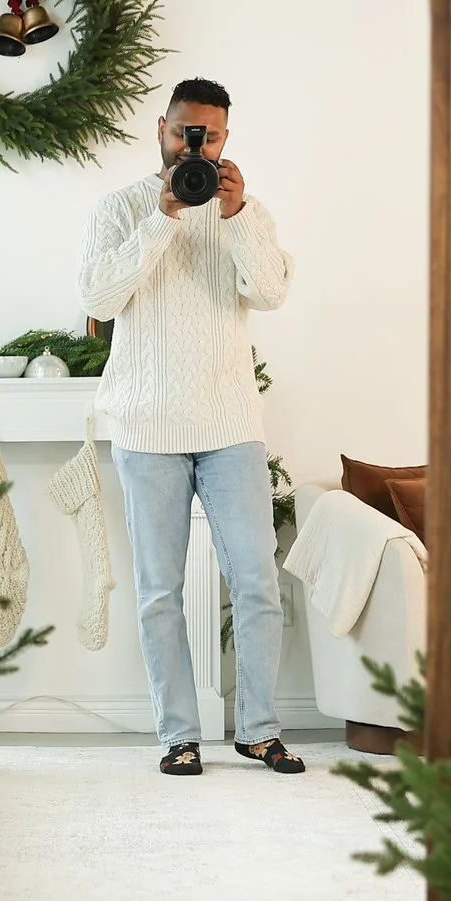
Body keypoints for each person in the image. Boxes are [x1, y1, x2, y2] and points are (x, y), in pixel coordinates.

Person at [77, 77, 302, 777]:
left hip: (230, 422)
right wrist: (164, 214)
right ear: (161, 129)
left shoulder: (247, 212)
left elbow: (270, 291)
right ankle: (178, 734)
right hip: (146, 426)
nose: (193, 145)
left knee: (257, 580)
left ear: (226, 138)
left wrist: (231, 217)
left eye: (207, 135)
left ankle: (258, 729)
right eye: (184, 133)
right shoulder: (120, 209)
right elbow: (97, 295)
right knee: (158, 591)